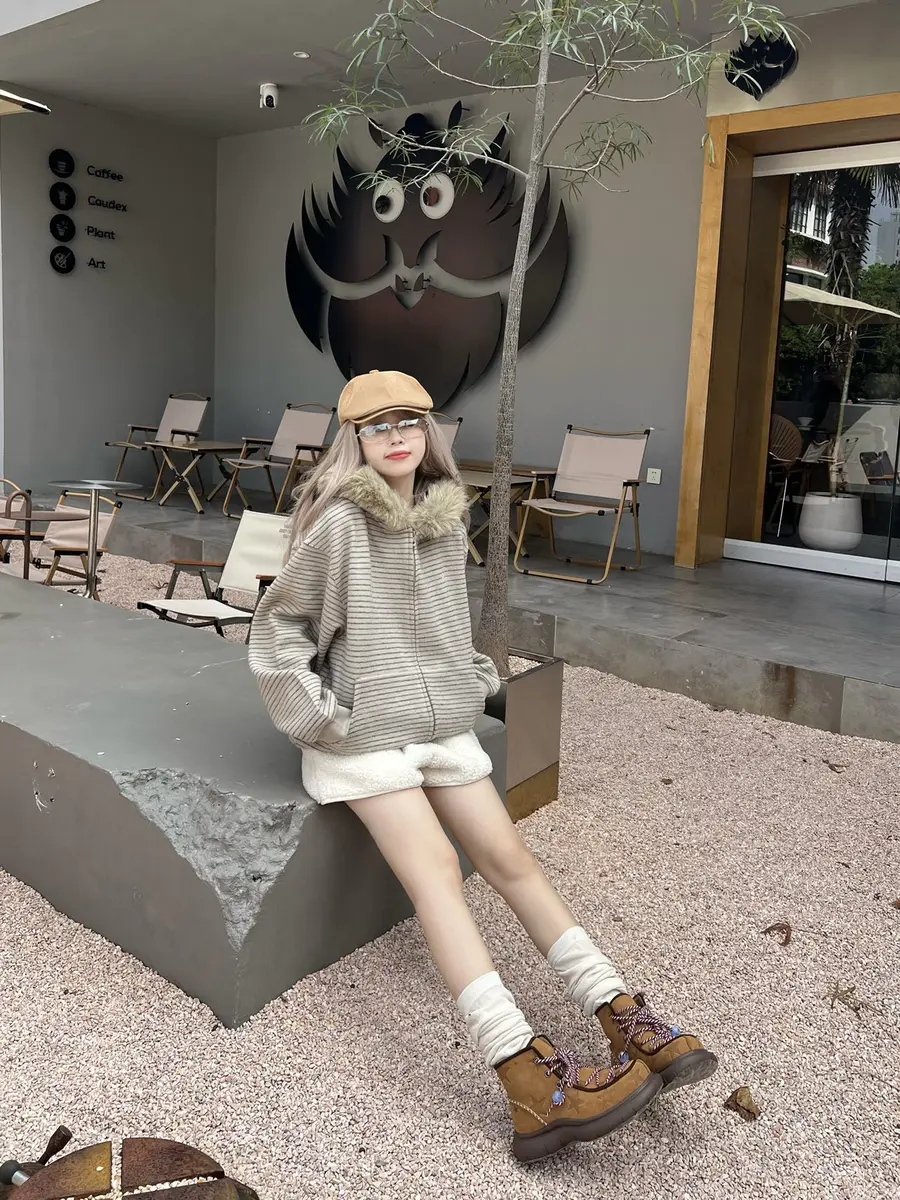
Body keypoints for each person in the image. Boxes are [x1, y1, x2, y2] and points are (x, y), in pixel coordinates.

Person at [249, 370, 717, 1162]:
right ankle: (524, 1075)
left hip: (437, 725)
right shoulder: (338, 524)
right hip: (363, 739)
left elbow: (445, 626)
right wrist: (325, 720)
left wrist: (469, 682)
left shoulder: (442, 517)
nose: (396, 436)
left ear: (428, 430)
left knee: (510, 858)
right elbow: (277, 631)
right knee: (437, 870)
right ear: (354, 440)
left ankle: (618, 1009)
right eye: (376, 426)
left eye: (409, 420)